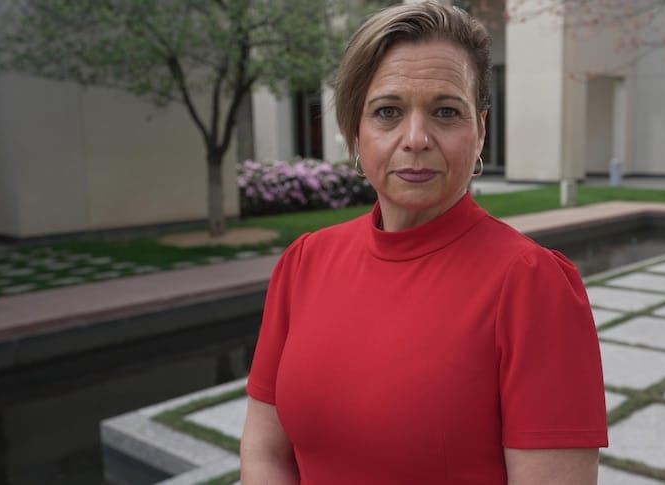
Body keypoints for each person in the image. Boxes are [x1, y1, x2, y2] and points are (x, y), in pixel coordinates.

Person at [240, 2, 608, 484]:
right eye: (387, 112)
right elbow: (265, 453)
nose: (416, 138)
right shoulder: (305, 262)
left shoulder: (533, 284)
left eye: (446, 112)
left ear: (479, 132)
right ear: (356, 131)